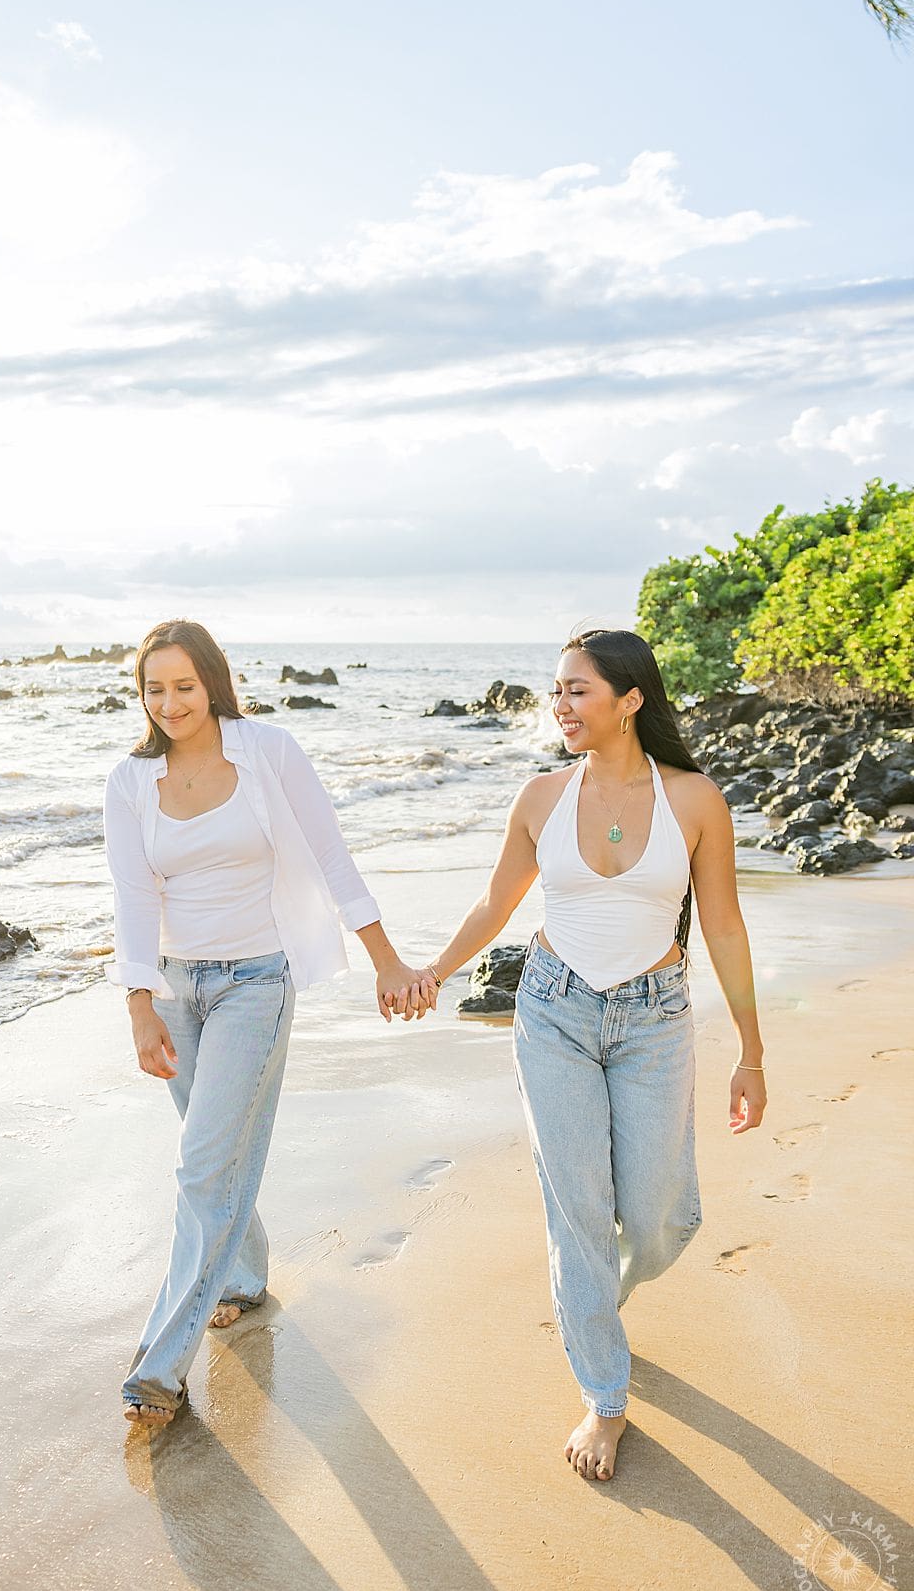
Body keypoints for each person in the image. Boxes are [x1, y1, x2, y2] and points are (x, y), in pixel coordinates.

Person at [415, 628, 766, 1482]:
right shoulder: (541, 797)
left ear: (630, 699)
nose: (561, 706)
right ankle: (605, 1397)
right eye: (558, 690)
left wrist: (752, 1051)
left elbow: (723, 925)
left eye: (578, 690)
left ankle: (599, 1292)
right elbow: (497, 905)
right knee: (577, 1212)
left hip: (655, 1018)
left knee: (660, 1220)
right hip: (554, 1012)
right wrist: (434, 971)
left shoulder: (694, 800)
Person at [105, 619, 432, 1427]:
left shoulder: (269, 751)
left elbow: (331, 856)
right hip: (175, 989)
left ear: (213, 682)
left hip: (255, 984)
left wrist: (387, 960)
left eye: (184, 686)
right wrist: (140, 1005)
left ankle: (159, 1368)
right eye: (154, 689)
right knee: (217, 1154)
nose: (170, 703)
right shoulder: (130, 782)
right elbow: (134, 897)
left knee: (202, 1166)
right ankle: (244, 1278)